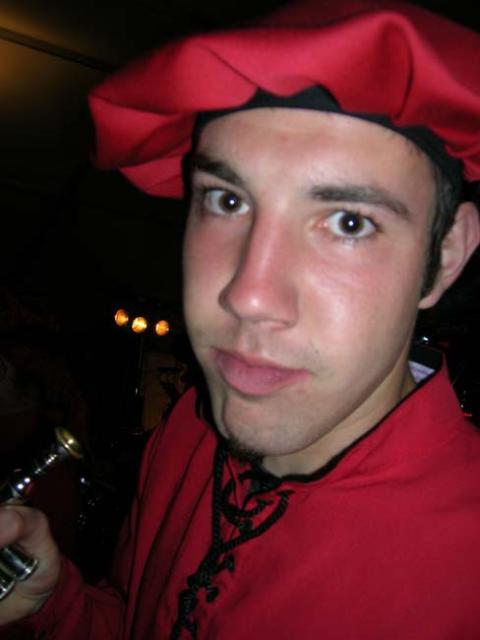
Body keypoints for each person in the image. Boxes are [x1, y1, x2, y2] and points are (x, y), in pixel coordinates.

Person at [1, 0, 480, 637]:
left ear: (445, 257)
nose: (248, 296)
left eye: (349, 222)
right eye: (227, 201)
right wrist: (53, 601)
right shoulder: (187, 433)